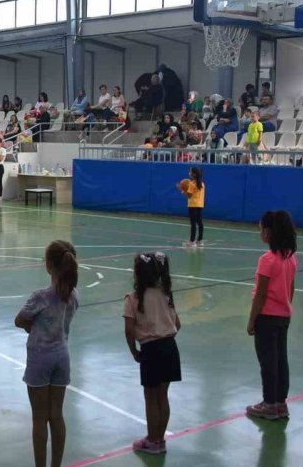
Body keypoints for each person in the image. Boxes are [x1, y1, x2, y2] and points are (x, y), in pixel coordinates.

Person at [14, 240, 79, 467]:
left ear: (49, 265)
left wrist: (33, 327)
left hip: (40, 358)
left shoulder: (41, 296)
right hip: (62, 356)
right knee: (57, 415)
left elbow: (19, 319)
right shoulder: (74, 296)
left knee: (39, 418)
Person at [124, 251, 180, 454]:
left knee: (150, 396)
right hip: (170, 347)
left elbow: (129, 330)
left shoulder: (133, 298)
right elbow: (177, 324)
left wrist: (134, 351)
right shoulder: (165, 294)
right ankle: (160, 440)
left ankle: (152, 440)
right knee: (163, 396)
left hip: (151, 349)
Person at [246, 210, 297, 421]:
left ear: (268, 233)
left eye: (261, 228)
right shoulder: (291, 258)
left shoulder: (267, 260)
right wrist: (285, 307)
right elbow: (291, 288)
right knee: (280, 360)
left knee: (267, 362)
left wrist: (251, 320)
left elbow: (260, 293)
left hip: (266, 317)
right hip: (283, 316)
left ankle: (269, 404)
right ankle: (280, 403)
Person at [181, 167, 205, 247]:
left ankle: (191, 241)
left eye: (190, 172)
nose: (189, 173)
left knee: (193, 223)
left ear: (194, 174)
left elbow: (189, 195)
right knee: (200, 223)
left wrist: (183, 191)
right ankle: (200, 240)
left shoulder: (192, 184)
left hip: (192, 205)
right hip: (200, 205)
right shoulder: (202, 184)